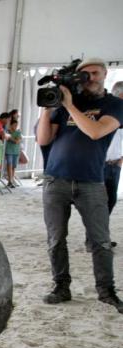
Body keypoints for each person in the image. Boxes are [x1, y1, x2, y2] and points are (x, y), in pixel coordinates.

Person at [36, 57, 123, 313]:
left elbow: (95, 132)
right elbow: (43, 139)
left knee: (100, 241)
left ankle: (107, 291)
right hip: (55, 180)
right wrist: (47, 107)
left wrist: (71, 106)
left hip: (91, 182)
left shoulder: (114, 105)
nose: (90, 78)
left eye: (94, 73)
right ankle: (61, 287)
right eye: (84, 75)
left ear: (105, 75)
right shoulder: (64, 104)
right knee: (55, 239)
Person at [104, 81, 123, 217]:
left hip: (115, 164)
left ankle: (100, 236)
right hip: (99, 164)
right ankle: (95, 236)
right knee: (95, 202)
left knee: (111, 200)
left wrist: (121, 159)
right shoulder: (105, 110)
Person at [4, 119, 22, 188]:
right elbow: (15, 140)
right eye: (14, 125)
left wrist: (10, 137)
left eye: (16, 125)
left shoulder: (18, 132)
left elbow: (17, 141)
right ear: (11, 125)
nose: (15, 126)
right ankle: (10, 181)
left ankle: (12, 179)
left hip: (16, 151)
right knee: (9, 165)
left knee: (14, 166)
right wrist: (13, 138)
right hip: (9, 151)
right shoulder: (7, 131)